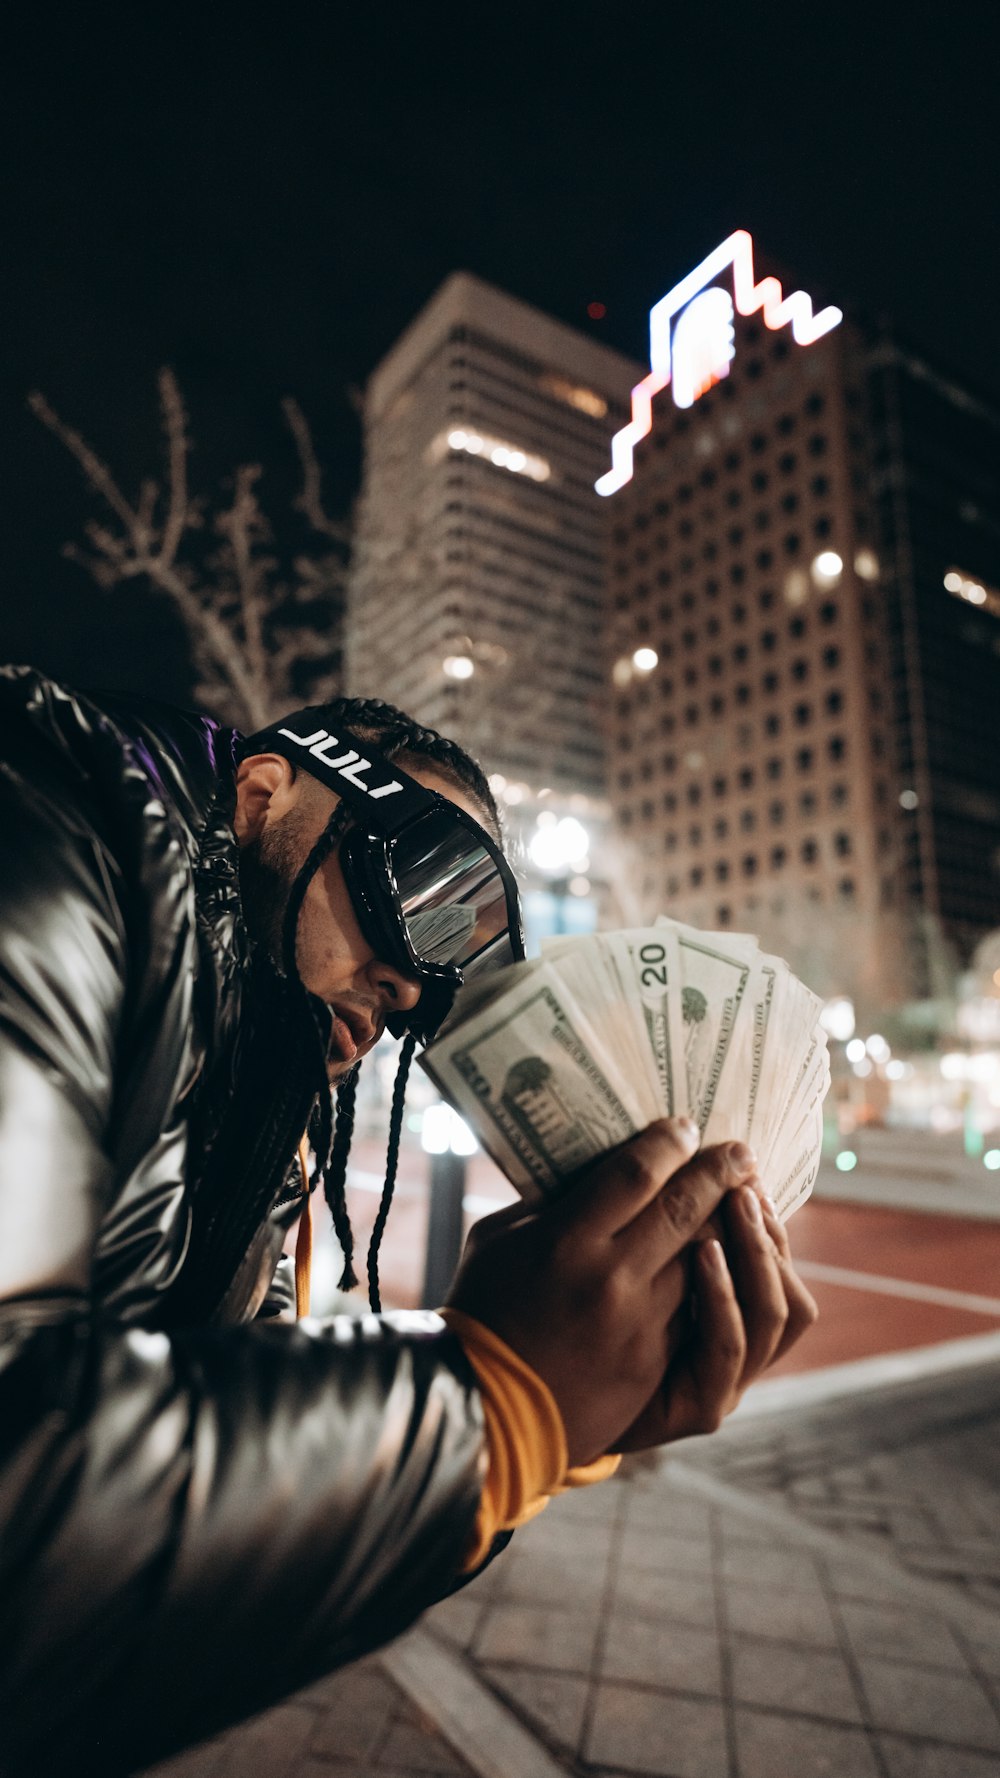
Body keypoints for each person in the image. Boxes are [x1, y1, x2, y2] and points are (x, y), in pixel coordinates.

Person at [0, 665, 817, 1776]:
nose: (407, 983)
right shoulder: (50, 806)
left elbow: (219, 1552)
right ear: (261, 793)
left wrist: (552, 1423)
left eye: (452, 972)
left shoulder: (262, 1138)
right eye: (421, 882)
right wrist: (485, 1405)